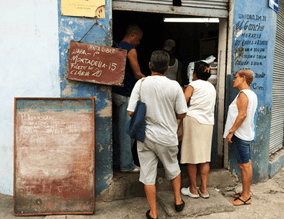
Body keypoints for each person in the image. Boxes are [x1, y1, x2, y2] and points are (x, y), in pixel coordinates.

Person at [127, 50, 188, 219]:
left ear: (149, 65)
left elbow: (131, 111)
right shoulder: (175, 86)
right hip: (168, 137)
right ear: (168, 68)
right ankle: (177, 201)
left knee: (147, 174)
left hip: (145, 137)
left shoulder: (140, 84)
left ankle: (153, 212)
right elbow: (182, 113)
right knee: (173, 168)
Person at [180, 61, 216, 199]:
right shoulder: (212, 87)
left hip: (193, 121)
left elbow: (183, 103)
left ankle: (193, 190)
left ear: (194, 74)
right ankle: (204, 190)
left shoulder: (193, 85)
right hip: (208, 123)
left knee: (192, 156)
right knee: (204, 157)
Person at [112, 24, 146, 173]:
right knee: (127, 131)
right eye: (138, 39)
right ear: (133, 34)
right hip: (126, 93)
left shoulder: (116, 46)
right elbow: (137, 73)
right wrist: (152, 80)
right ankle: (127, 164)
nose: (138, 43)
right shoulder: (130, 49)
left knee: (117, 130)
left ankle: (117, 161)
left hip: (114, 92)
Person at [223, 70, 257, 206]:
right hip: (245, 134)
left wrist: (231, 132)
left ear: (244, 78)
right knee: (245, 164)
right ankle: (244, 192)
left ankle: (245, 196)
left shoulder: (244, 95)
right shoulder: (251, 94)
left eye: (236, 77)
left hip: (240, 135)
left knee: (244, 165)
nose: (233, 80)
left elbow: (242, 115)